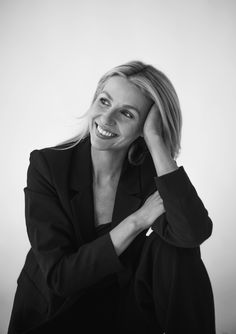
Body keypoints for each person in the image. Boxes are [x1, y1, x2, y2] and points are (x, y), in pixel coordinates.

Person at [8, 60, 216, 334]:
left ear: (144, 127)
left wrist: (156, 140)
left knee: (175, 246)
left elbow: (192, 234)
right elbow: (60, 278)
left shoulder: (148, 173)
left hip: (120, 311)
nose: (106, 119)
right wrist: (136, 221)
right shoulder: (48, 166)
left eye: (127, 114)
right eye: (104, 102)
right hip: (56, 312)